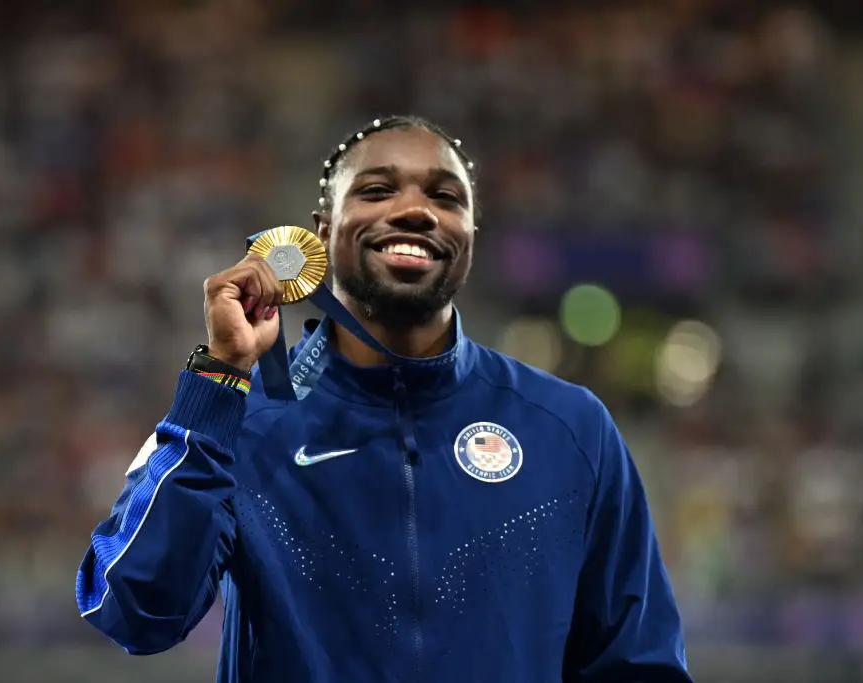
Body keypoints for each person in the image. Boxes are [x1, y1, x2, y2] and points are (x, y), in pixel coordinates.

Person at [75, 115, 693, 682]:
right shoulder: (239, 419)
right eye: (376, 190)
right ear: (319, 235)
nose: (415, 211)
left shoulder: (569, 429)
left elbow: (639, 666)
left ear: (470, 235)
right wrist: (219, 377)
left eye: (445, 197)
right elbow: (133, 610)